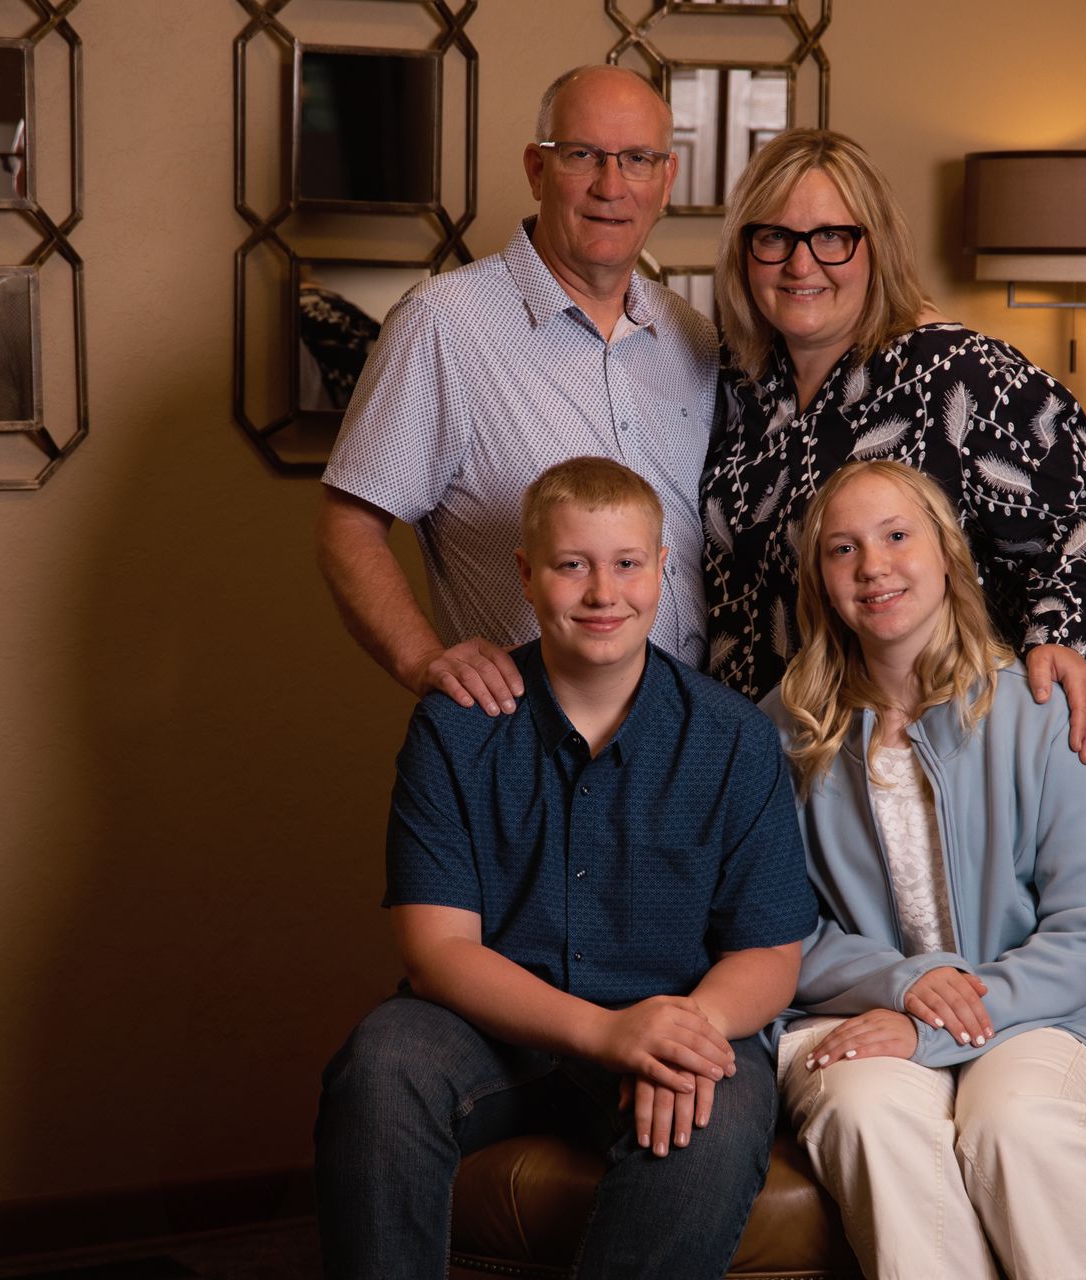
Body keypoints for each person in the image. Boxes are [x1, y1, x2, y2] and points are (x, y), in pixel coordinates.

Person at [315, 457, 817, 1280]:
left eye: (626, 564)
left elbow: (769, 953)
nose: (602, 592)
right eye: (572, 565)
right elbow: (436, 951)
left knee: (713, 1110)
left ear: (662, 568)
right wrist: (605, 1032)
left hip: (673, 1011)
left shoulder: (733, 739)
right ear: (526, 573)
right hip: (491, 1029)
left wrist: (678, 1034)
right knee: (382, 1061)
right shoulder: (456, 729)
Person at [761, 459, 1086, 1280]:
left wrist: (938, 1020)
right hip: (857, 1007)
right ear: (818, 581)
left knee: (1018, 1123)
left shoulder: (1040, 707)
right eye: (843, 549)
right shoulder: (778, 733)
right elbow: (766, 928)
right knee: (870, 1114)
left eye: (897, 537)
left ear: (947, 554)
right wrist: (900, 983)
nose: (873, 566)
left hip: (1050, 1011)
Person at [702, 129, 1086, 764]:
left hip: (931, 763)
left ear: (877, 248)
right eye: (774, 237)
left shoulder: (959, 373)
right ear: (744, 252)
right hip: (762, 764)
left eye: (832, 237)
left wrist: (1063, 642)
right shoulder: (737, 386)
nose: (801, 265)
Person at [318, 65, 717, 717]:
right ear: (537, 169)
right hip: (533, 743)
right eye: (583, 155)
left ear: (665, 180)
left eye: (638, 160)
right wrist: (421, 658)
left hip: (690, 744)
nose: (611, 186)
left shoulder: (692, 337)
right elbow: (348, 524)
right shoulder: (445, 324)